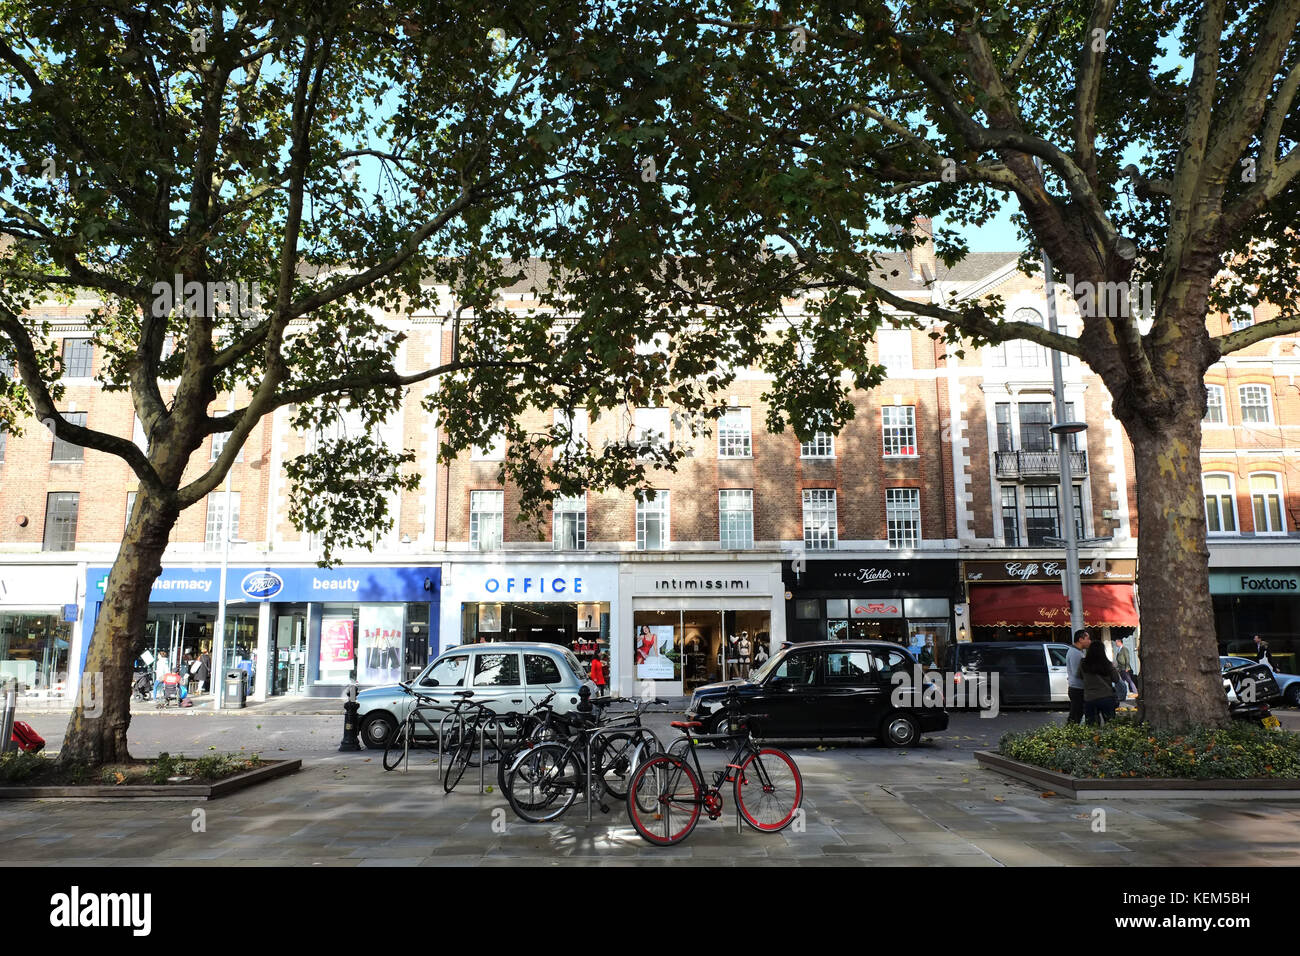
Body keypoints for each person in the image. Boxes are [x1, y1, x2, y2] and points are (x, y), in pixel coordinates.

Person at [1081, 637, 1121, 726]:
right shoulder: (1107, 664)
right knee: (1110, 724)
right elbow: (1116, 679)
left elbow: (1079, 676)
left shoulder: (1083, 663)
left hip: (1090, 697)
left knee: (1092, 726)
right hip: (1106, 696)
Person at [1066, 629, 1090, 725]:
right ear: (1080, 639)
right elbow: (1077, 672)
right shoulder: (1075, 653)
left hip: (1077, 688)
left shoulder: (1078, 652)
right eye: (1087, 638)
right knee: (1075, 716)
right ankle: (1070, 732)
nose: (1089, 641)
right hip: (1077, 689)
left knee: (1076, 715)